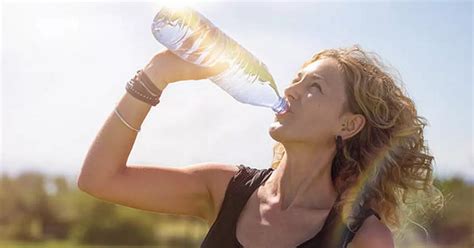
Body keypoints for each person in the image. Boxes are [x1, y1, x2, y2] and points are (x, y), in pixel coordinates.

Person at [78, 45, 443, 248]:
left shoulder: (363, 238)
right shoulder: (225, 190)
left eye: (313, 87)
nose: (290, 90)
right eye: (296, 80)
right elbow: (99, 179)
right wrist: (156, 74)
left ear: (348, 124)